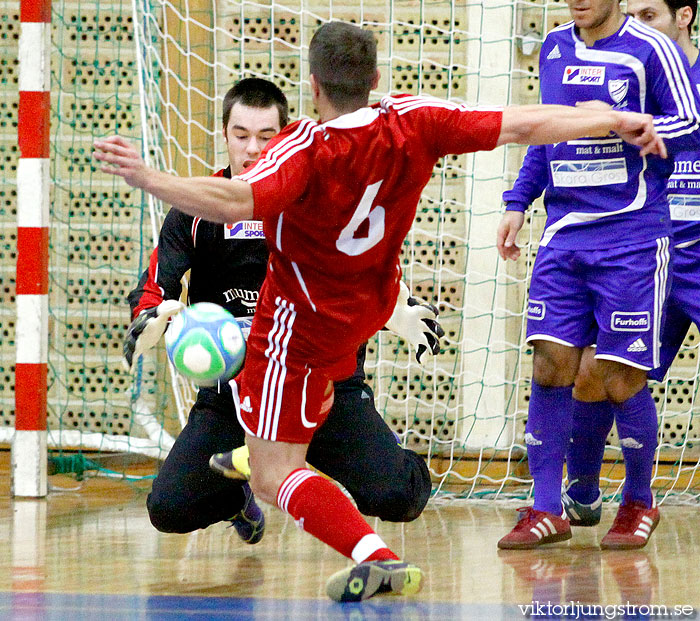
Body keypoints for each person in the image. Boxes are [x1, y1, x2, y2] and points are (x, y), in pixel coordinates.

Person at [95, 20, 665, 602]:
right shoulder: (413, 121)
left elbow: (237, 198)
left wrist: (147, 176)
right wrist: (613, 119)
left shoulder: (303, 147)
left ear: (312, 86)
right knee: (278, 427)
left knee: (271, 473)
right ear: (373, 78)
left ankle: (364, 544)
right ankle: (341, 511)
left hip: (298, 325)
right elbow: (523, 122)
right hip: (367, 311)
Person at [124, 78, 437, 544]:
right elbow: (155, 285)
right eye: (241, 135)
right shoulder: (195, 210)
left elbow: (367, 272)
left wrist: (399, 308)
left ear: (285, 135)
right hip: (234, 396)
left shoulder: (321, 202)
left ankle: (380, 458)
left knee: (397, 496)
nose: (253, 149)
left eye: (266, 136)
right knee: (169, 509)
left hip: (325, 389)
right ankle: (240, 494)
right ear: (225, 135)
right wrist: (149, 315)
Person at [496, 0, 700, 550]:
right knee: (550, 362)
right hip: (565, 233)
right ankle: (545, 507)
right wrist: (518, 199)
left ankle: (638, 500)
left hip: (633, 236)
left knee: (616, 375)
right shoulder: (555, 47)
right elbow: (547, 132)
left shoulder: (650, 48)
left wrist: (639, 129)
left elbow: (689, 122)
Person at [561, 0, 700, 549]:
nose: (638, 27)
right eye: (633, 15)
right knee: (595, 367)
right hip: (649, 243)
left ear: (685, 15)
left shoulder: (679, 81)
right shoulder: (623, 74)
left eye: (651, 14)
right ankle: (584, 491)